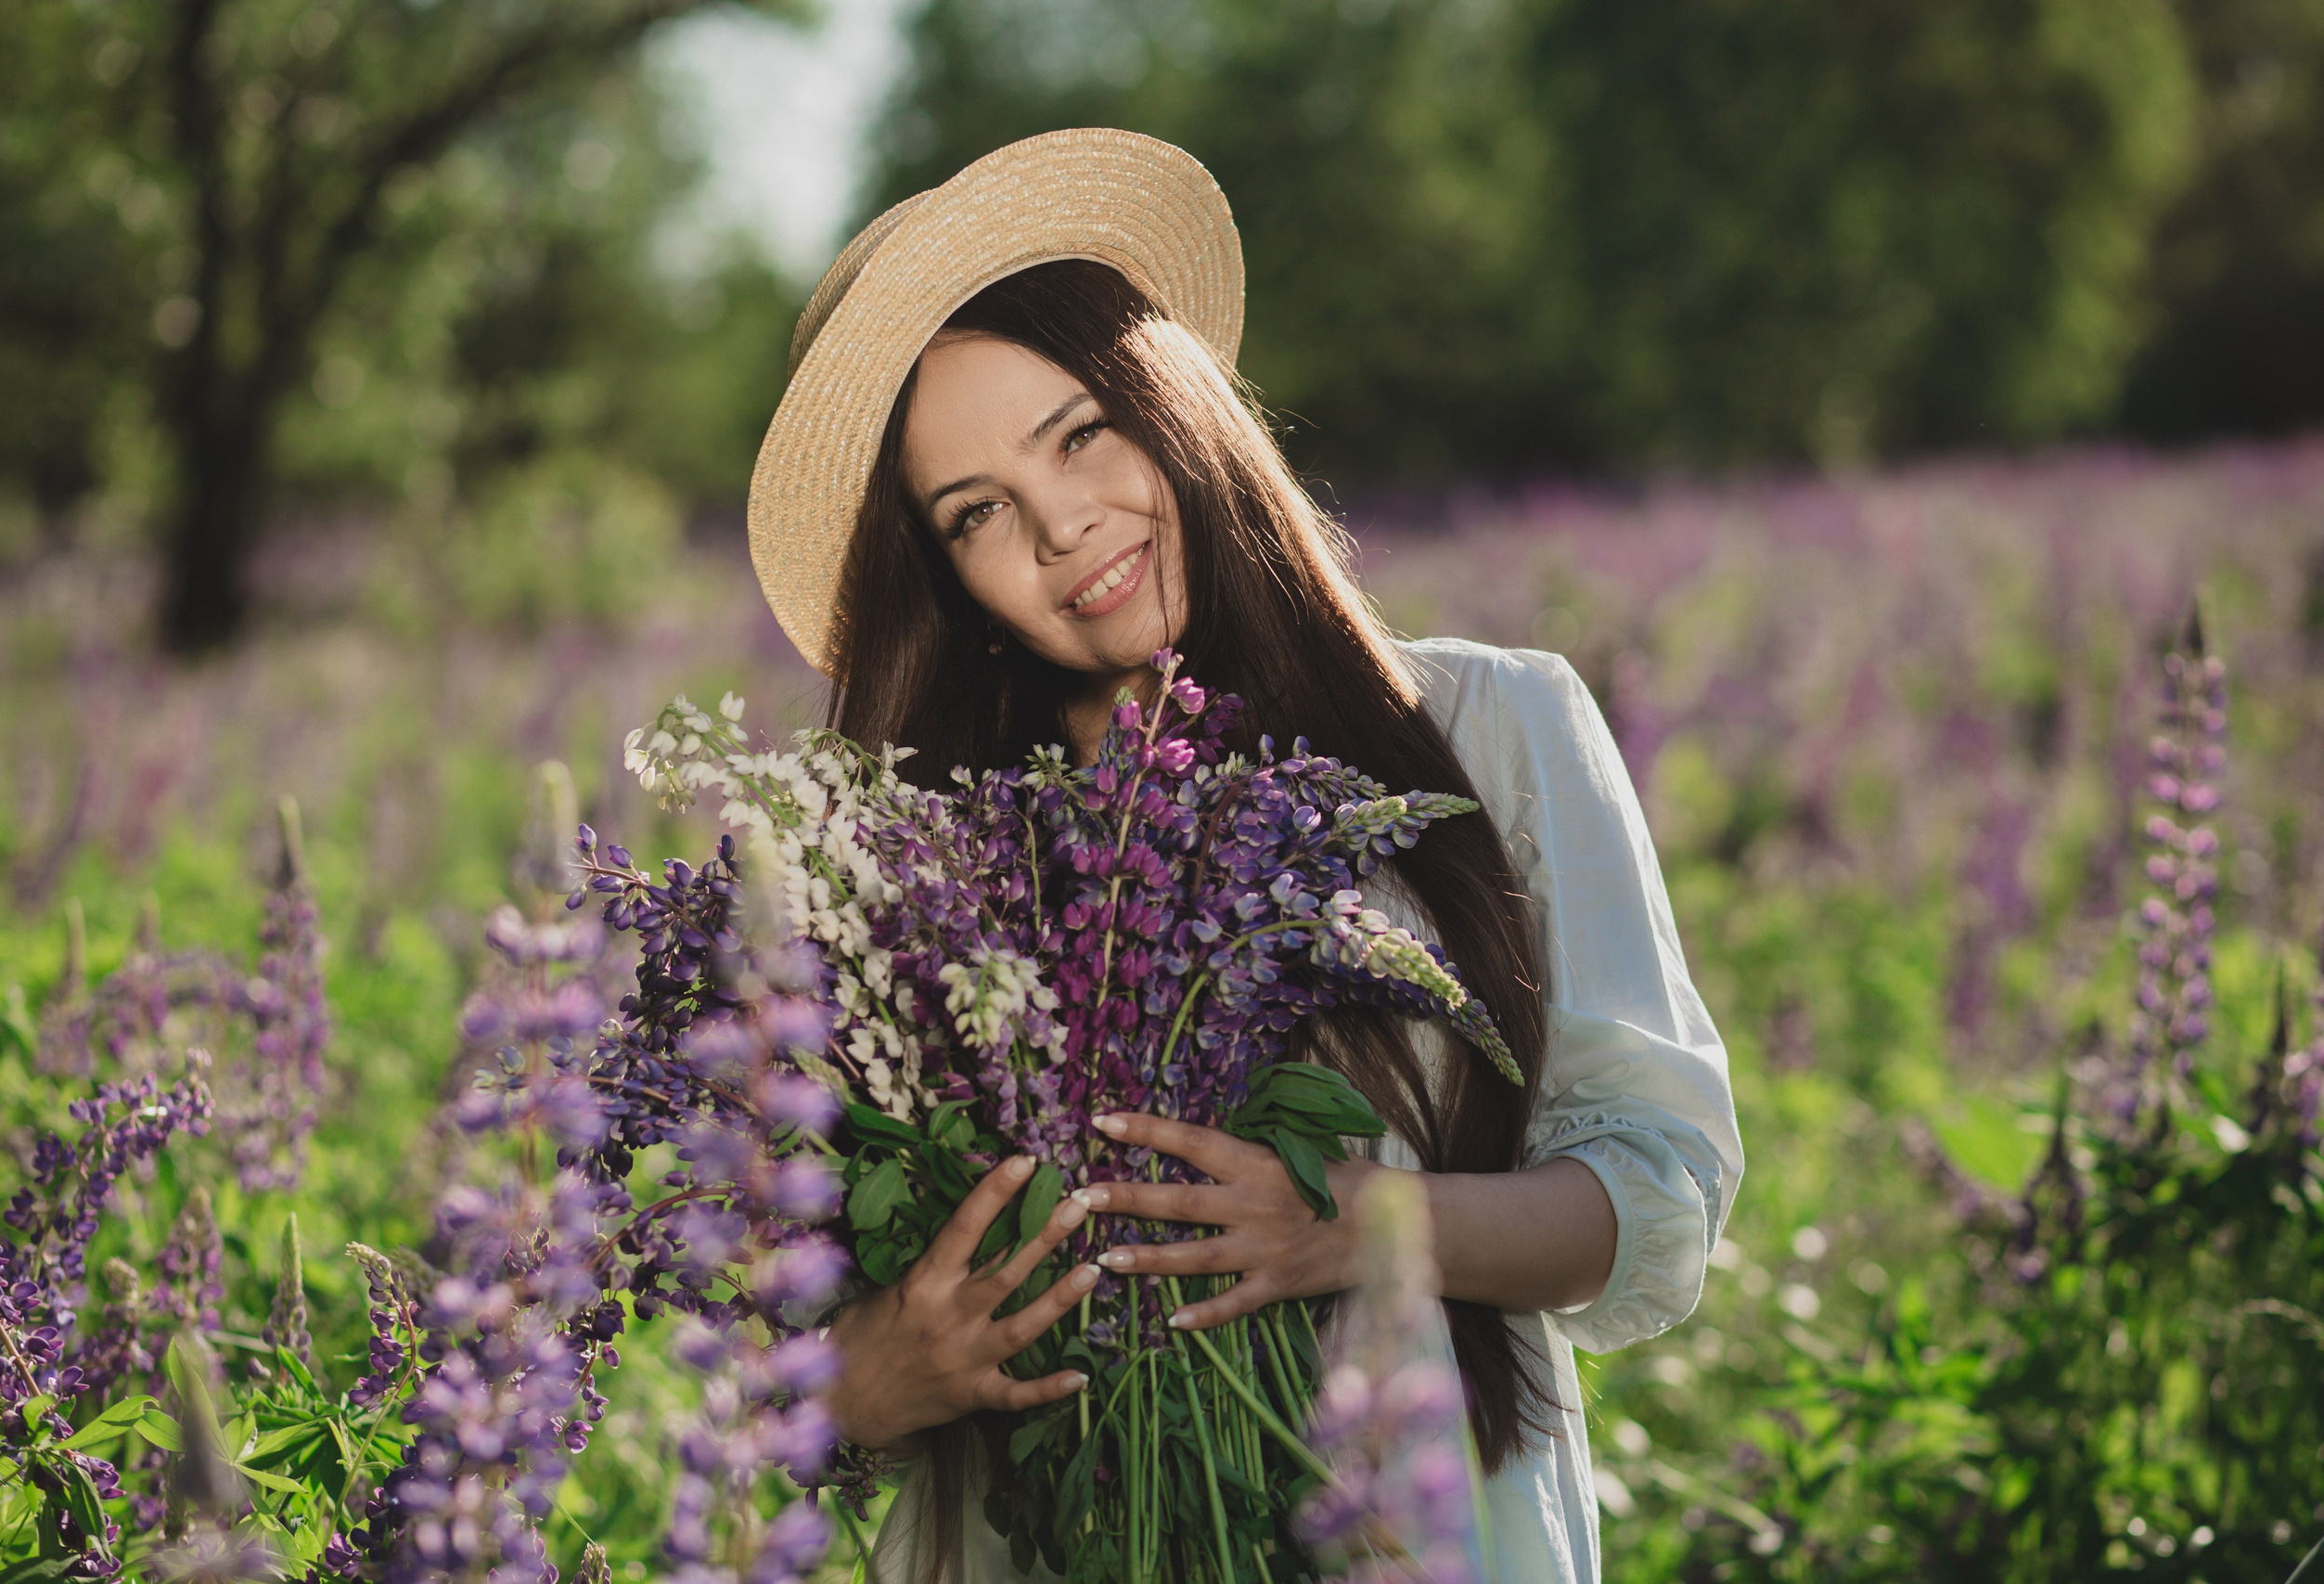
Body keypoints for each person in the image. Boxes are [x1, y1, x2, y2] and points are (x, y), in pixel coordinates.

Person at [743, 128, 1741, 1584]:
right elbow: (762, 1380)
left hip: (1419, 1529)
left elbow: (1653, 1195)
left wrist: (1351, 1227)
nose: (1061, 523)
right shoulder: (918, 865)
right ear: (944, 579)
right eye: (975, 515)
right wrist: (874, 1376)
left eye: (1081, 432)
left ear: (1176, 403)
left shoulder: (1494, 724)